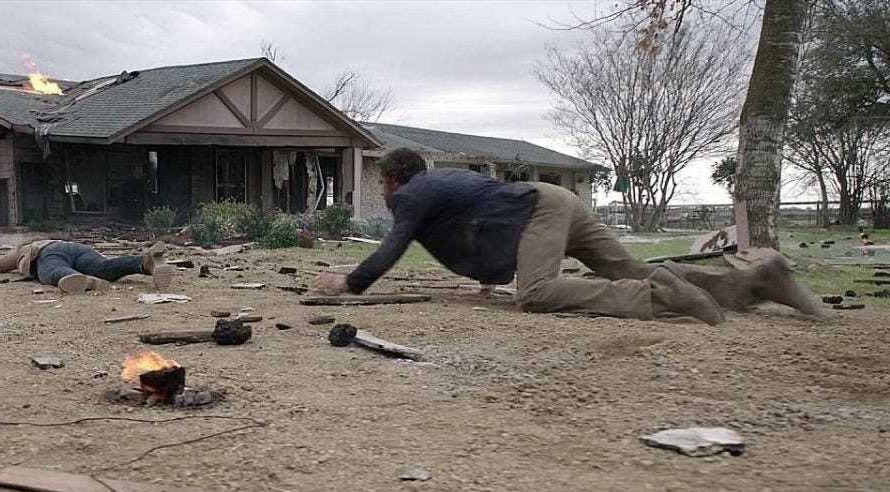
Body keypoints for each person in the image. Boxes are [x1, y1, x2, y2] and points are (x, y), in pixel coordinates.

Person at [314, 148, 823, 324]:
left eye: (380, 182)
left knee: (535, 295)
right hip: (558, 201)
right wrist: (486, 273)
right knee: (624, 266)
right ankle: (758, 285)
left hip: (541, 211)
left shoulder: (413, 194)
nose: (382, 192)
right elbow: (472, 228)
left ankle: (658, 295)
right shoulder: (442, 187)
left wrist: (350, 282)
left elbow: (394, 245)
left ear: (391, 179)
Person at [0, 239, 172, 294]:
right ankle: (145, 263)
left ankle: (85, 281)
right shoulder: (58, 239)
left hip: (51, 252)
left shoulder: (28, 246)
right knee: (104, 266)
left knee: (52, 270)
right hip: (79, 249)